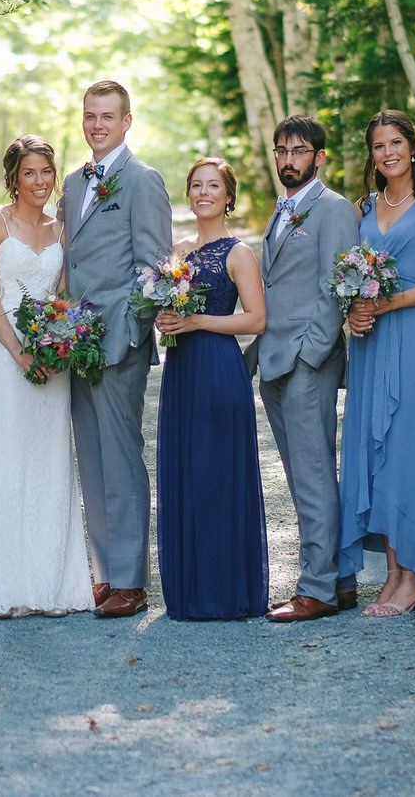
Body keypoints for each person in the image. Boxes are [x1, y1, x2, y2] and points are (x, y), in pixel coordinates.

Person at [0, 135, 94, 618]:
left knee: (51, 458)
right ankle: (3, 587)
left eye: (46, 173)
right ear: (13, 177)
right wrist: (19, 354)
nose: (39, 182)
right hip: (5, 355)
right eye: (29, 173)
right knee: (6, 456)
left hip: (50, 360)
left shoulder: (62, 229)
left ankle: (52, 586)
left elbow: (62, 295)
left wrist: (57, 346)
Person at [61, 81, 174, 618]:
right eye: (90, 116)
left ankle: (131, 580)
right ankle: (106, 574)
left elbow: (153, 265)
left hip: (118, 344)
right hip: (73, 345)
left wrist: (132, 332)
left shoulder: (143, 180)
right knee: (93, 462)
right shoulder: (71, 183)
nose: (97, 125)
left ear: (127, 121)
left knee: (124, 461)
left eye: (108, 116)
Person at [338, 111, 415, 616]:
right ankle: (393, 576)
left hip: (410, 334)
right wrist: (354, 311)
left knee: (407, 448)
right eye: (379, 146)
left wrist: (388, 304)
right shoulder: (363, 207)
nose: (388, 153)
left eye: (396, 143)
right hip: (369, 341)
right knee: (372, 450)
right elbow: (350, 277)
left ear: (412, 147)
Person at [251, 116, 361, 623]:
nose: (288, 159)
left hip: (305, 361)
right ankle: (338, 580)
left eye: (298, 151)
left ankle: (315, 587)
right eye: (281, 151)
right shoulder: (284, 210)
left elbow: (336, 284)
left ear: (319, 156)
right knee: (303, 476)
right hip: (275, 359)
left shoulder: (334, 208)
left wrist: (311, 354)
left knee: (314, 475)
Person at [154, 158, 268, 620]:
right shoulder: (177, 252)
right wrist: (164, 319)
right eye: (196, 185)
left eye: (213, 186)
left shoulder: (238, 252)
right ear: (189, 193)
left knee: (218, 473)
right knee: (187, 473)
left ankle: (227, 593)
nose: (204, 192)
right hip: (181, 369)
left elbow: (257, 319)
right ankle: (190, 591)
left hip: (220, 369)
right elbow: (166, 307)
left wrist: (198, 320)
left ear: (228, 196)